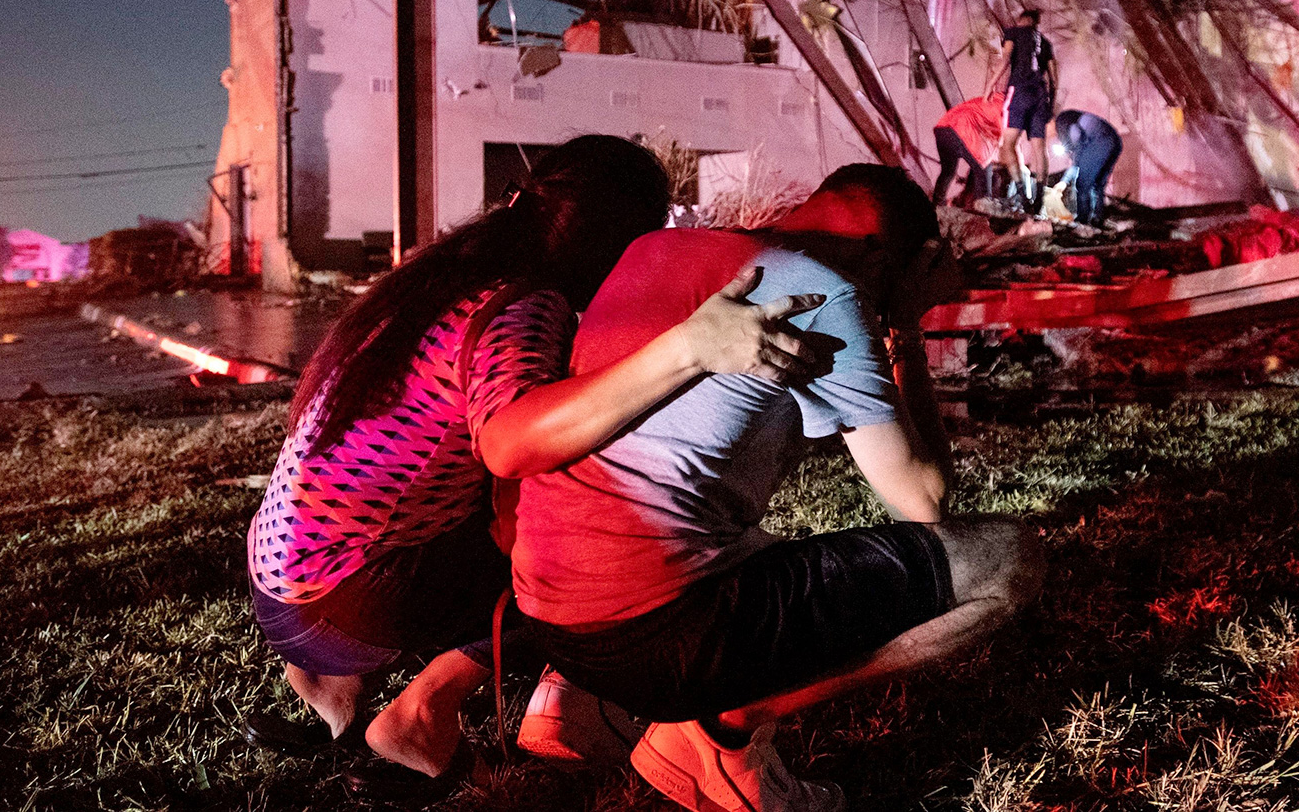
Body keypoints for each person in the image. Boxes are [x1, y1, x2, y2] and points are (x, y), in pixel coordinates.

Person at [243, 135, 824, 802]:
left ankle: (333, 692)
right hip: (347, 596)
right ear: (616, 240)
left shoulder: (438, 277)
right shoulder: (523, 304)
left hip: (281, 581)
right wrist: (687, 350)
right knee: (584, 559)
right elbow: (510, 440)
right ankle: (422, 716)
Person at [511, 164, 1044, 812]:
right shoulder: (823, 293)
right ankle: (713, 729)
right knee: (1004, 560)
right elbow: (921, 498)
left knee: (742, 530)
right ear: (882, 254)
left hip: (546, 612)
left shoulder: (656, 247)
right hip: (658, 635)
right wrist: (904, 324)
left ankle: (563, 695)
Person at [996, 9, 1056, 214]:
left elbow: (1005, 61)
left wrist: (989, 89)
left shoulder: (1013, 32)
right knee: (1040, 149)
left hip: (1019, 91)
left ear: (1022, 20)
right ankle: (1039, 200)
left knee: (1008, 144)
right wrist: (1050, 105)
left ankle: (1023, 196)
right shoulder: (1046, 43)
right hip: (1040, 95)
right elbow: (1054, 79)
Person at [931, 90, 1007, 208]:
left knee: (948, 172)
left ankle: (937, 205)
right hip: (961, 129)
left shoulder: (991, 99)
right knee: (984, 168)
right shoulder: (1008, 108)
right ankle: (982, 211)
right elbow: (1000, 140)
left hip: (942, 128)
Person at [1052, 109, 1122, 227]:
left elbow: (1078, 145)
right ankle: (1097, 219)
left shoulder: (1063, 123)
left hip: (1099, 141)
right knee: (1098, 184)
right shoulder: (1071, 118)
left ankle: (1082, 220)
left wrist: (1064, 181)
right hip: (1115, 141)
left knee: (1082, 184)